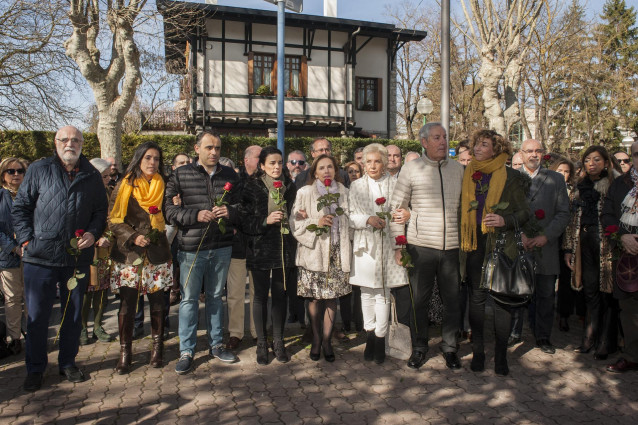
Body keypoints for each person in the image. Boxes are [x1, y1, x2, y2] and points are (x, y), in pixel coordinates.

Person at [13, 126, 108, 391]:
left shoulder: (91, 174)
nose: (70, 143)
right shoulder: (38, 169)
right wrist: (26, 240)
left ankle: (67, 363)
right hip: (39, 258)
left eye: (75, 140)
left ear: (82, 144)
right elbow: (20, 208)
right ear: (56, 143)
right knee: (38, 317)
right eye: (64, 139)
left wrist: (92, 232)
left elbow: (101, 211)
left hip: (75, 259)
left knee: (73, 315)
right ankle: (35, 368)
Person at [165, 132, 241, 374]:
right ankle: (186, 350)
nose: (214, 152)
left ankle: (216, 344)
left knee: (216, 297)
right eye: (209, 147)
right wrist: (194, 215)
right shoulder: (180, 175)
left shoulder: (229, 174)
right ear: (196, 148)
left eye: (218, 148)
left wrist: (229, 211)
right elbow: (168, 211)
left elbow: (242, 206)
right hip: (190, 248)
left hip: (221, 245)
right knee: (188, 300)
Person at [390, 122, 464, 370]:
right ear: (424, 142)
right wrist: (398, 246)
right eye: (436, 137)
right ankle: (419, 347)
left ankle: (450, 348)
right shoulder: (411, 169)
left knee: (452, 300)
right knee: (418, 301)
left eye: (445, 136)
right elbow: (397, 209)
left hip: (453, 246)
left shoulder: (459, 169)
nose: (443, 141)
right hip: (420, 246)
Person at [460, 129, 530, 376]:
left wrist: (505, 220)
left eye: (484, 144)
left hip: (501, 245)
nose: (477, 148)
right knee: (476, 300)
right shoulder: (467, 173)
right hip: (474, 244)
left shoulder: (511, 176)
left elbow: (524, 213)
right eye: (476, 144)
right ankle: (478, 353)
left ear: (496, 149)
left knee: (501, 302)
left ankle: (501, 355)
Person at [108, 142, 172, 374]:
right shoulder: (125, 184)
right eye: (147, 158)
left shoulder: (163, 183)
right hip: (129, 255)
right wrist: (133, 236)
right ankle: (126, 353)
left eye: (156, 158)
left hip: (157, 252)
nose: (152, 163)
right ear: (138, 159)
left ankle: (157, 349)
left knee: (157, 303)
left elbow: (169, 214)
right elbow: (113, 220)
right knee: (127, 305)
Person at [508, 140, 570, 354]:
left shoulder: (556, 179)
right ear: (521, 154)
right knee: (516, 292)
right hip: (518, 245)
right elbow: (504, 211)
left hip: (546, 247)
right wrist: (520, 234)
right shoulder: (510, 178)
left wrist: (546, 236)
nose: (534, 154)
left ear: (543, 154)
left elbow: (563, 213)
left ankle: (543, 336)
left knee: (545, 294)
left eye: (538, 151)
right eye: (529, 151)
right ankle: (513, 333)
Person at [349, 144, 408, 364]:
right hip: (365, 246)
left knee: (384, 293)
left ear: (384, 163)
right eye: (368, 161)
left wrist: (400, 247)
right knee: (366, 293)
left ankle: (380, 340)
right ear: (363, 163)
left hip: (388, 245)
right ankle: (370, 335)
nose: (372, 166)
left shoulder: (396, 185)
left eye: (377, 161)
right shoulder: (355, 186)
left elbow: (400, 216)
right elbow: (349, 215)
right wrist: (367, 219)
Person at [291, 154, 351, 362]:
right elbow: (296, 224)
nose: (327, 171)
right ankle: (316, 339)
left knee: (332, 298)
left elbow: (350, 220)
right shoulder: (304, 193)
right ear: (314, 172)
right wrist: (318, 220)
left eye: (330, 167)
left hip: (336, 253)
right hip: (314, 252)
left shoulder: (344, 192)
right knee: (315, 298)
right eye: (322, 168)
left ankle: (327, 340)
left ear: (336, 170)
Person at [242, 146, 297, 364]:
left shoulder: (289, 187)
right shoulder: (252, 187)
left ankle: (278, 340)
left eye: (279, 162)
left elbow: (295, 215)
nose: (276, 167)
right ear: (262, 165)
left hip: (283, 247)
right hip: (260, 248)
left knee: (280, 296)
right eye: (272, 163)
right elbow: (244, 220)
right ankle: (262, 343)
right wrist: (265, 221)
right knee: (260, 297)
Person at [564, 146, 620, 361]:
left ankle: (605, 341)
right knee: (589, 291)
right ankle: (589, 337)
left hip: (607, 246)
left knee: (607, 293)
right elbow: (570, 222)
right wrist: (568, 249)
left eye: (596, 159)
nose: (591, 163)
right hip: (583, 244)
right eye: (587, 159)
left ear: (606, 162)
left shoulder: (614, 185)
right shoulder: (578, 187)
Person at [602, 141, 638, 373]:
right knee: (629, 309)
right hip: (627, 255)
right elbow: (607, 215)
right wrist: (623, 237)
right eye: (637, 154)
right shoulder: (620, 184)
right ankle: (632, 355)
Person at [79, 158, 115, 346]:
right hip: (85, 248)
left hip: (104, 249)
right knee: (86, 290)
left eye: (110, 175)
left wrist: (108, 235)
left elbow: (114, 218)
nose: (108, 179)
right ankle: (83, 327)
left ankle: (98, 325)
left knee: (102, 289)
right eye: (104, 176)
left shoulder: (110, 192)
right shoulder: (82, 193)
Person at [551, 157, 583, 332]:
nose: (563, 174)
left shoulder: (575, 192)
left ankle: (564, 315)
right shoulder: (547, 188)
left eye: (566, 171)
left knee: (565, 279)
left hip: (568, 240)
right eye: (560, 170)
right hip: (549, 239)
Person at [0, 157, 29, 356]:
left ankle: (33, 335)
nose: (16, 174)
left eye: (20, 171)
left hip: (31, 254)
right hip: (7, 256)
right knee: (12, 298)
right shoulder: (1, 196)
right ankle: (14, 338)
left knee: (31, 297)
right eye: (11, 171)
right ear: (3, 175)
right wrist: (12, 247)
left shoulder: (30, 194)